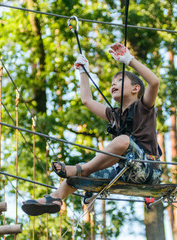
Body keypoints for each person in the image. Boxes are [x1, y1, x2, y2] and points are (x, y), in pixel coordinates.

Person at [22, 43, 162, 216]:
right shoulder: (114, 115)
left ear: (136, 89)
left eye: (120, 80)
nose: (113, 84)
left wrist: (129, 60)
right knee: (78, 174)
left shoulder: (144, 107)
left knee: (122, 141)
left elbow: (154, 81)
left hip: (148, 169)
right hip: (125, 172)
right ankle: (56, 197)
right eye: (112, 82)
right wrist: (83, 72)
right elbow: (87, 101)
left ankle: (84, 169)